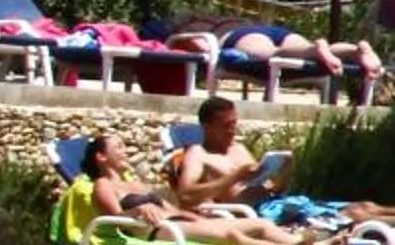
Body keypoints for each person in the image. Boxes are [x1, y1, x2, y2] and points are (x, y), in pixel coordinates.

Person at [83, 135, 337, 245]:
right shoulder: (103, 185)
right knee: (230, 234)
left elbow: (168, 208)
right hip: (152, 231)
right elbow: (114, 218)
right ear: (101, 157)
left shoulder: (137, 184)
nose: (125, 151)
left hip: (177, 222)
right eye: (119, 147)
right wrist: (136, 211)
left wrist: (192, 215)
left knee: (260, 223)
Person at [166, 97, 395, 229]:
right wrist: (234, 177)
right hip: (260, 214)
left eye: (235, 123)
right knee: (358, 215)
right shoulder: (198, 154)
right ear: (206, 127)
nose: (233, 130)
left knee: (365, 206)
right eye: (226, 125)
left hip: (280, 202)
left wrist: (284, 170)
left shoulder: (239, 148)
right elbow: (186, 196)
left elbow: (274, 189)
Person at [197, 22, 382, 101]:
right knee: (306, 50)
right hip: (282, 32)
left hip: (242, 36)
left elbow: (201, 47)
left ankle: (315, 48)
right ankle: (356, 49)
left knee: (272, 53)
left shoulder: (213, 28)